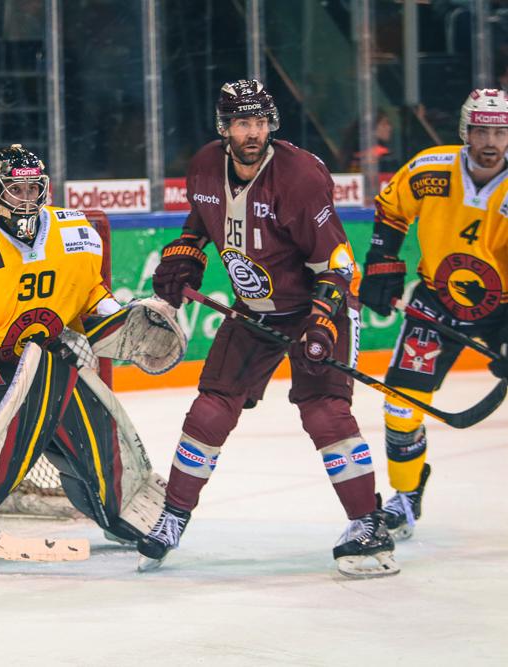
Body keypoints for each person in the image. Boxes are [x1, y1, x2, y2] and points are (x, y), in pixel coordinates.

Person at [140, 79, 398, 578]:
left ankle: (369, 523)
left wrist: (320, 323)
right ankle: (172, 516)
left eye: (260, 122)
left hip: (318, 307)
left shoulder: (299, 177)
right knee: (210, 409)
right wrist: (185, 254)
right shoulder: (204, 166)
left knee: (325, 413)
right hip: (254, 310)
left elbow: (337, 262)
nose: (253, 133)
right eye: (243, 123)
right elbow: (202, 220)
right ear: (225, 127)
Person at [0, 144, 185, 567]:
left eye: (34, 188)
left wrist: (121, 318)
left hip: (44, 357)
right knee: (9, 425)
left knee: (93, 421)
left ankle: (121, 509)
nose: (27, 198)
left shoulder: (75, 233)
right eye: (17, 189)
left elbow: (90, 295)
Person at [359, 88, 508, 540]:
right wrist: (383, 262)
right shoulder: (432, 168)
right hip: (437, 302)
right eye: (481, 131)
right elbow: (392, 208)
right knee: (400, 404)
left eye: (500, 133)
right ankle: (406, 498)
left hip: (502, 310)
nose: (490, 142)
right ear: (465, 131)